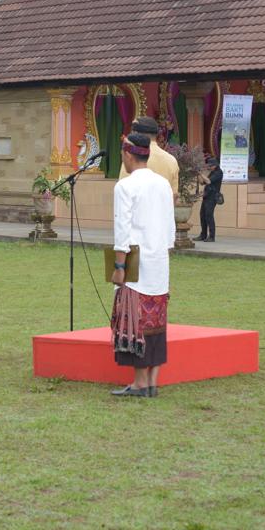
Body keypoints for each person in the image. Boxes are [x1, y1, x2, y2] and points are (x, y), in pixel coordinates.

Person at [110, 133, 175, 398]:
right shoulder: (162, 184)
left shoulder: (124, 186)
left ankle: (139, 383)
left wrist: (119, 267)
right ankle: (152, 382)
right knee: (156, 321)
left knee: (134, 321)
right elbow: (170, 229)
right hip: (159, 260)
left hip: (135, 262)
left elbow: (122, 230)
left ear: (128, 154)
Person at [118, 116, 179, 207]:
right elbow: (173, 197)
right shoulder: (172, 161)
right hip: (162, 214)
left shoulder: (132, 159)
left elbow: (124, 197)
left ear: (136, 134)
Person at [195, 156, 223, 242]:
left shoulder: (219, 172)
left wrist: (201, 173)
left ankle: (211, 236)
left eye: (210, 166)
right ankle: (203, 235)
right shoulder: (212, 172)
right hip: (207, 196)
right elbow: (202, 182)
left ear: (215, 165)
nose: (209, 167)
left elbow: (208, 181)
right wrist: (197, 174)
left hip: (212, 197)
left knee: (209, 216)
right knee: (202, 215)